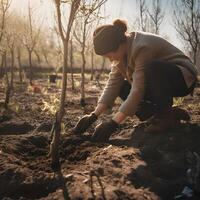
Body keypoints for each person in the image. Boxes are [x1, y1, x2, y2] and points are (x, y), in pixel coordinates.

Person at [73, 19, 198, 142]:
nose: (110, 59)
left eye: (110, 55)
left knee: (153, 68)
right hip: (159, 82)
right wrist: (93, 116)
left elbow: (138, 89)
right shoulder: (120, 56)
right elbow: (113, 85)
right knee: (122, 87)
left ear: (120, 45)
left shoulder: (142, 46)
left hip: (182, 78)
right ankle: (166, 113)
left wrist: (113, 123)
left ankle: (165, 117)